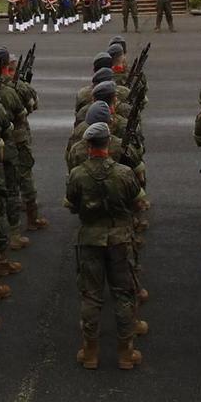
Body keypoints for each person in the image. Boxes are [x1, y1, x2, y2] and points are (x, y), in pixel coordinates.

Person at [65, 120, 143, 371]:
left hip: (89, 238)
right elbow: (138, 203)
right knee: (123, 294)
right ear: (108, 142)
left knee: (91, 296)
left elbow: (73, 205)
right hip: (120, 239)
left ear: (88, 145)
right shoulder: (124, 173)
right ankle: (125, 352)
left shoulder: (78, 174)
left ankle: (90, 351)